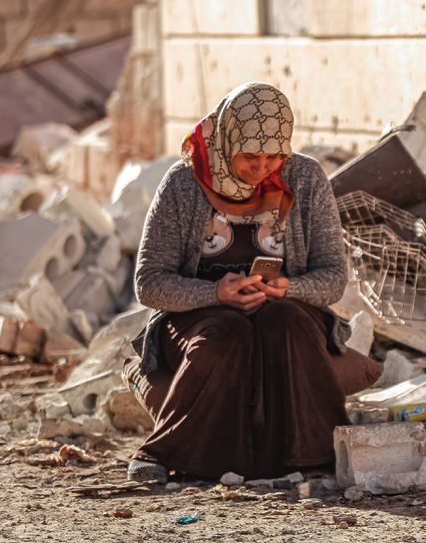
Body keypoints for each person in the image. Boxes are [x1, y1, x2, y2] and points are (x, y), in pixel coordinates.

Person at [125, 82, 378, 483]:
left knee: (288, 325)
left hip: (284, 305)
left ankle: (312, 458)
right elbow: (149, 283)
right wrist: (214, 292)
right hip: (200, 315)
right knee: (225, 336)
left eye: (275, 156)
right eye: (250, 156)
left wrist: (287, 288)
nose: (262, 167)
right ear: (227, 141)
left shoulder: (307, 178)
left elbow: (332, 278)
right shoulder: (183, 183)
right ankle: (166, 453)